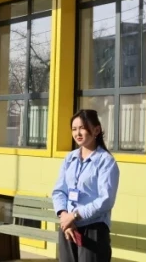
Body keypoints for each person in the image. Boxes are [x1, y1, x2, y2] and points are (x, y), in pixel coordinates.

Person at [52, 109, 120, 262]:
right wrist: (64, 216)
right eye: (74, 129)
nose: (77, 133)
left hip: (93, 229)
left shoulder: (106, 161)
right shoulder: (70, 158)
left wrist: (74, 215)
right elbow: (59, 191)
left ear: (96, 130)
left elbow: (106, 200)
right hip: (68, 228)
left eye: (82, 128)